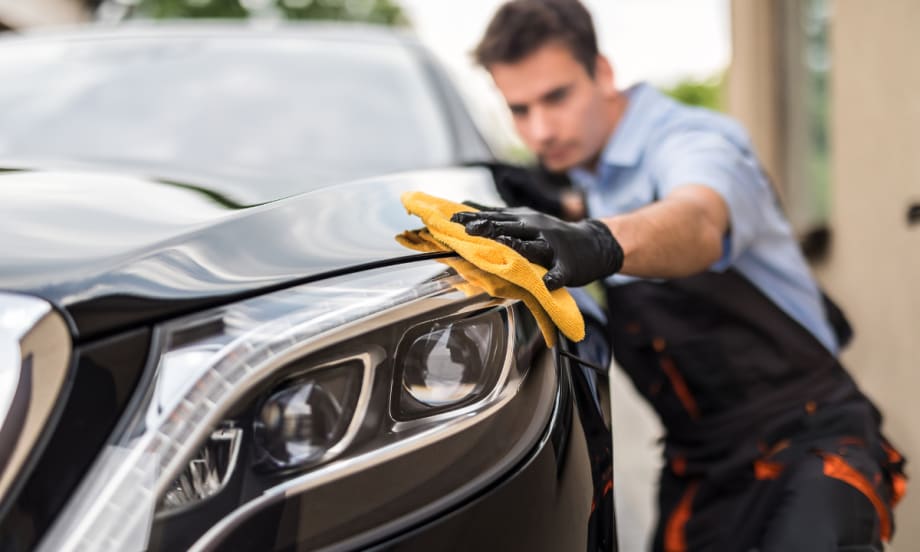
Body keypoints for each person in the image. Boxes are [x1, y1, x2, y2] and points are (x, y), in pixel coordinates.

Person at [453, 1, 907, 550]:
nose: (541, 130)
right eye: (519, 109)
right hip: (702, 471)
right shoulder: (591, 173)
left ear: (602, 72)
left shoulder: (693, 140)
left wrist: (599, 240)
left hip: (808, 446)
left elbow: (698, 219)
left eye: (557, 97)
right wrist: (564, 207)